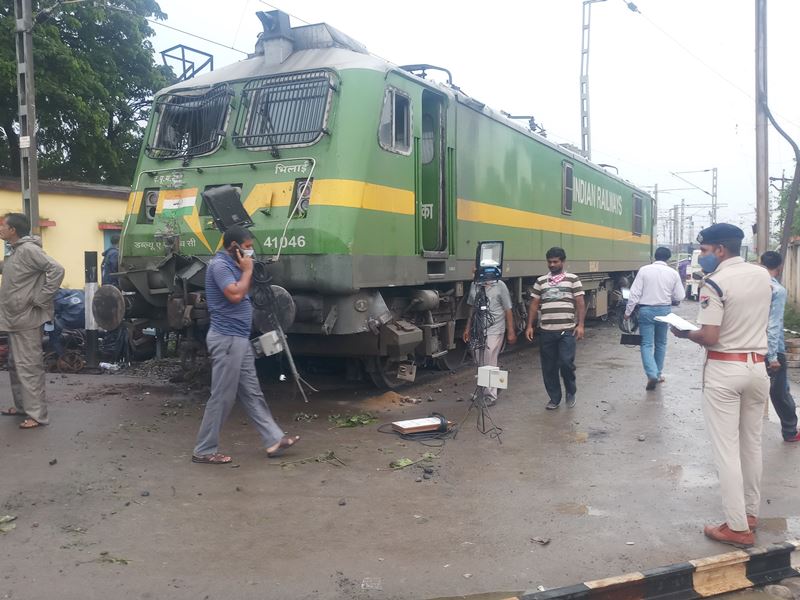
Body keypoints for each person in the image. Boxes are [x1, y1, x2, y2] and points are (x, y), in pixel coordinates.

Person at [670, 223, 771, 548]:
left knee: (726, 450)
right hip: (758, 367)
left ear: (720, 250)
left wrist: (685, 332)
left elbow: (710, 336)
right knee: (751, 445)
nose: (701, 256)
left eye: (703, 250)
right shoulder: (762, 275)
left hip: (725, 370)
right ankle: (751, 514)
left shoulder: (713, 283)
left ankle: (737, 528)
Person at [192, 225, 299, 464]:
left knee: (252, 392)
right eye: (248, 247)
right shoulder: (219, 266)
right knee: (222, 396)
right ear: (234, 247)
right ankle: (204, 449)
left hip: (239, 339)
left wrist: (246, 270)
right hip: (227, 339)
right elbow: (234, 295)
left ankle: (273, 439)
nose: (251, 252)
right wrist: (248, 270)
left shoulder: (234, 265)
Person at [0, 212, 65, 429]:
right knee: (15, 365)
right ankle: (22, 408)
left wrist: (42, 297)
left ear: (13, 230)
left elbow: (57, 269)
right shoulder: (15, 251)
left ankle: (37, 415)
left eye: (3, 226)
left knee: (29, 365)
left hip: (26, 318)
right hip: (13, 318)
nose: (0, 229)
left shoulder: (29, 250)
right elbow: (17, 273)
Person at [524, 247, 585, 410]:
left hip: (567, 330)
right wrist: (529, 325)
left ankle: (571, 391)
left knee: (566, 363)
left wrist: (580, 325)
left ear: (563, 262)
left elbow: (580, 303)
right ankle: (554, 398)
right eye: (549, 262)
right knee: (549, 367)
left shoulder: (573, 279)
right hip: (547, 331)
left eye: (555, 262)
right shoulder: (541, 281)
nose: (552, 265)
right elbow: (534, 304)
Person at [624, 246, 685, 390]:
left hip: (646, 310)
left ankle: (651, 373)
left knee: (646, 344)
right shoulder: (673, 273)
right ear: (668, 258)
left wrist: (628, 312)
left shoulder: (644, 270)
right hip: (664, 310)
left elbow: (634, 294)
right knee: (661, 344)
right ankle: (657, 374)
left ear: (654, 257)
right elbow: (680, 296)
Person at [759, 251, 800, 442]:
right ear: (780, 266)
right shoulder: (777, 290)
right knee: (780, 392)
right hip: (770, 348)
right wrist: (774, 356)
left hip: (748, 345)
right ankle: (791, 431)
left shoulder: (752, 286)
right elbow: (774, 325)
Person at [462, 267, 517, 406]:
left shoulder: (500, 285)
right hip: (477, 329)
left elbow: (507, 309)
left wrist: (511, 330)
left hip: (495, 328)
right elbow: (472, 308)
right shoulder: (474, 285)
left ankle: (490, 395)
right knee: (478, 359)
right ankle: (489, 387)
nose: (473, 273)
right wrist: (467, 328)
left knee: (489, 358)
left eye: (476, 271)